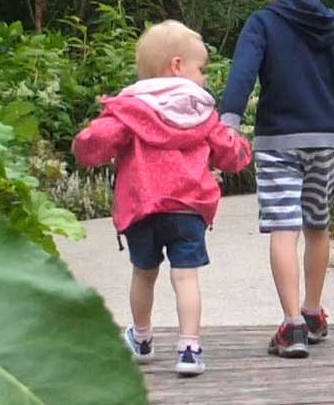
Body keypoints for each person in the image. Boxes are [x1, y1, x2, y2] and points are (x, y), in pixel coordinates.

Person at [73, 20, 252, 377]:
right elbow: (233, 155)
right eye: (201, 68)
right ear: (177, 66)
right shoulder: (200, 112)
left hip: (142, 207)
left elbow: (92, 145)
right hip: (188, 210)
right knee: (186, 279)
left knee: (144, 274)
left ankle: (141, 338)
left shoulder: (130, 109)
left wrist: (86, 143)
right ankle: (189, 347)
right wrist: (240, 146)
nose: (204, 78)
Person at [217, 0, 334, 358]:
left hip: (278, 140)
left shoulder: (261, 24)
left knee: (284, 228)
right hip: (329, 139)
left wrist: (228, 125)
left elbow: (242, 76)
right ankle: (314, 312)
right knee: (317, 225)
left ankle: (293, 326)